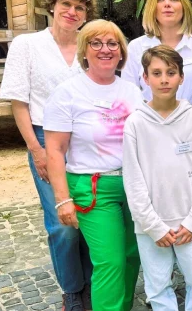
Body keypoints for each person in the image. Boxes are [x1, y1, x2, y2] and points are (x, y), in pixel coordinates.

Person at [120, 0, 192, 305]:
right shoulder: (137, 49)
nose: (168, 4)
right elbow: (127, 93)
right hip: (151, 136)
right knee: (158, 281)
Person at [0, 0, 95, 311]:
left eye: (79, 7)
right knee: (62, 223)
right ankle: (72, 289)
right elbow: (19, 101)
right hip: (44, 137)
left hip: (86, 140)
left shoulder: (91, 45)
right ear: (52, 6)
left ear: (86, 14)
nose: (72, 11)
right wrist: (36, 149)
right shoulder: (27, 45)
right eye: (66, 4)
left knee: (89, 215)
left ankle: (92, 284)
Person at [43, 20, 144, 311]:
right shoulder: (68, 92)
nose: (105, 50)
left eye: (112, 44)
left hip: (134, 185)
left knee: (132, 256)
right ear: (84, 50)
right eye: (96, 43)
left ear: (121, 51)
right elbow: (55, 150)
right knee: (110, 261)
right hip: (94, 187)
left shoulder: (131, 91)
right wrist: (63, 199)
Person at [123, 45, 192, 311]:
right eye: (157, 73)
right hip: (151, 226)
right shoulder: (135, 123)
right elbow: (133, 180)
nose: (164, 79)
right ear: (145, 78)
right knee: (158, 287)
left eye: (171, 72)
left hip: (190, 223)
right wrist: (153, 226)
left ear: (181, 77)